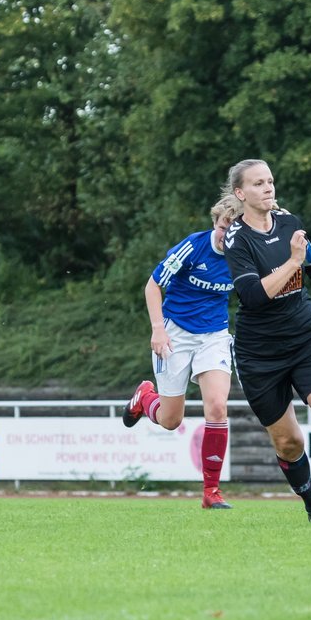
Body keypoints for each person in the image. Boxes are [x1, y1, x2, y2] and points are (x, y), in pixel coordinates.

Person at [220, 159, 311, 523]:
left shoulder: (289, 222)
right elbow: (253, 295)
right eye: (257, 184)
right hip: (259, 353)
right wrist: (291, 262)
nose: (268, 188)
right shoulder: (237, 240)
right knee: (288, 443)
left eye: (269, 181)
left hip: (305, 336)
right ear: (241, 193)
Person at [123, 196, 239, 510]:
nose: (225, 235)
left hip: (213, 336)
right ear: (216, 222)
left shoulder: (245, 256)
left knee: (217, 406)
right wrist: (157, 329)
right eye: (222, 226)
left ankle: (211, 492)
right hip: (175, 333)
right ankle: (145, 397)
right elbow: (152, 285)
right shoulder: (193, 247)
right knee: (171, 420)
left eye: (232, 229)